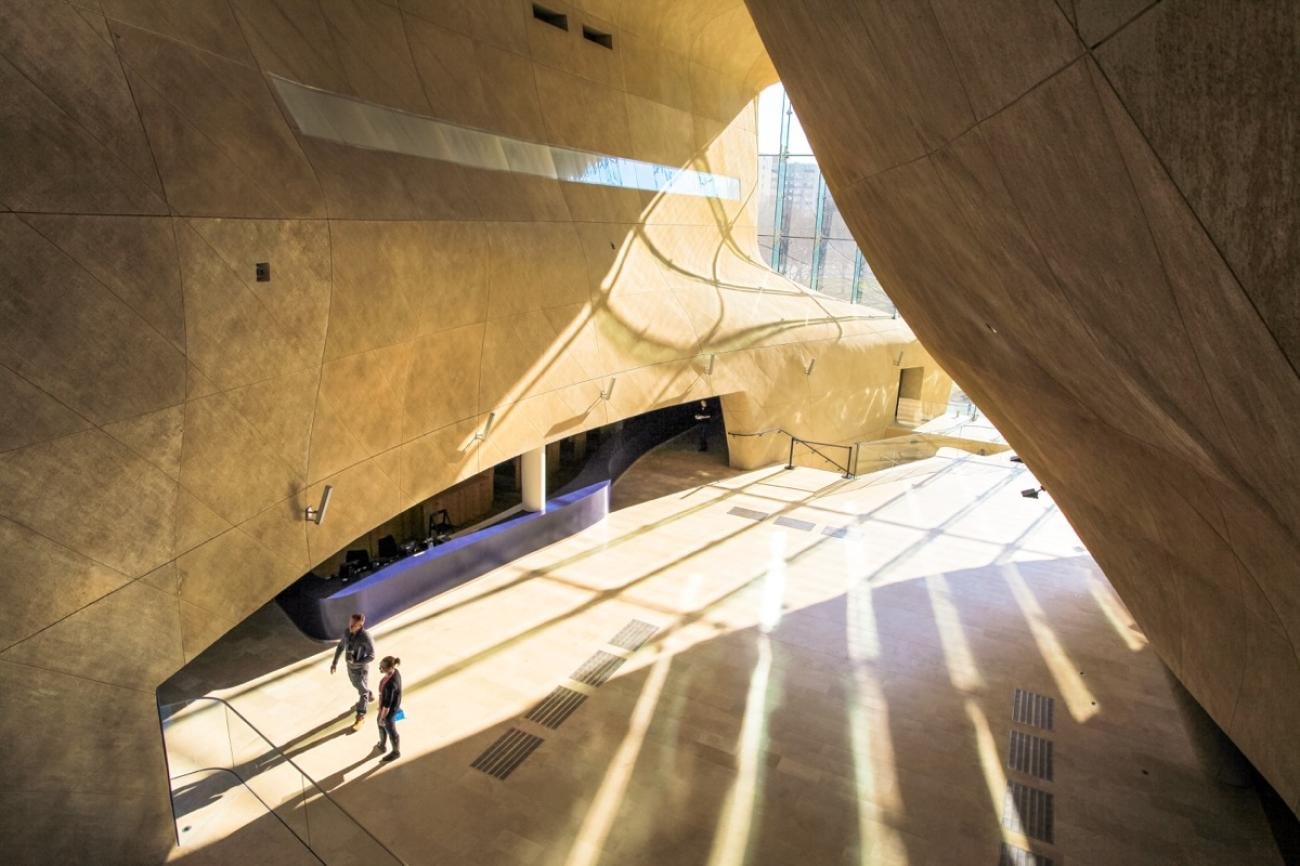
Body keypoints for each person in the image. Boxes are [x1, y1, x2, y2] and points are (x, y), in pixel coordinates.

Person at [330, 613, 375, 729]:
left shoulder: (365, 637)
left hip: (360, 670)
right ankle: (369, 694)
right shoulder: (347, 633)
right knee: (357, 685)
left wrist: (358, 662)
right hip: (350, 668)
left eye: (354, 625)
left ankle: (360, 717)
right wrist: (334, 663)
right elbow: (340, 646)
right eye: (350, 623)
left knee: (362, 692)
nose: (350, 626)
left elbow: (372, 655)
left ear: (361, 624)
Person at [374, 656, 403, 763]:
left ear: (390, 668)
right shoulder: (395, 672)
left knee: (390, 729)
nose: (380, 669)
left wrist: (382, 717)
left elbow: (387, 706)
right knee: (380, 724)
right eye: (380, 666)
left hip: (389, 712)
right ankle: (382, 744)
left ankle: (396, 752)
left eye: (382, 667)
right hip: (386, 707)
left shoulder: (391, 685)